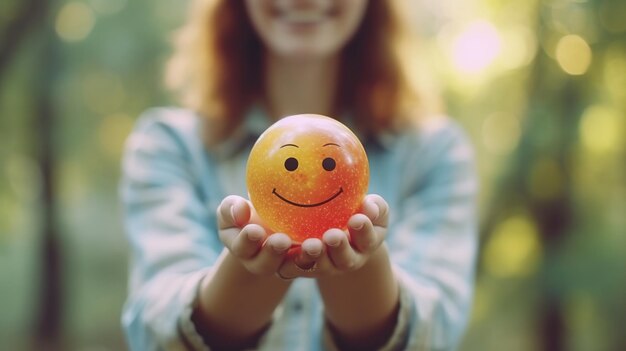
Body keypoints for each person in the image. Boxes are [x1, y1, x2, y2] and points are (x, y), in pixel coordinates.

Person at [120, 0, 478, 350]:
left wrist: (360, 267)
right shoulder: (170, 146)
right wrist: (248, 268)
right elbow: (155, 330)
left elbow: (435, 334)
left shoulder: (433, 153)